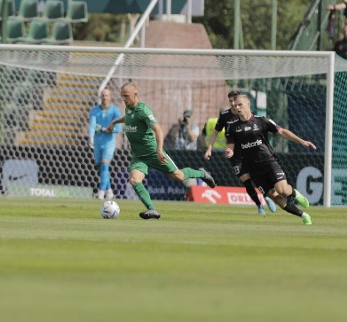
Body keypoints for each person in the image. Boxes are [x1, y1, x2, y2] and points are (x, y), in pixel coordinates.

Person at [105, 82, 215, 220]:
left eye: (126, 96)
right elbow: (127, 118)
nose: (124, 99)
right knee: (134, 180)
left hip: (153, 153)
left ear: (135, 94)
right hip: (138, 156)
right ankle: (152, 209)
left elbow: (158, 130)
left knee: (178, 176)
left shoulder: (144, 110)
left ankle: (201, 174)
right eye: (122, 97)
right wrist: (114, 123)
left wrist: (159, 149)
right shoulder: (128, 109)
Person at [225, 93, 316, 225]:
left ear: (248, 105)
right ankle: (303, 215)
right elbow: (230, 146)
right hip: (254, 170)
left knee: (282, 190)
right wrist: (229, 151)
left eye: (240, 104)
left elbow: (282, 131)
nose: (236, 107)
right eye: (235, 105)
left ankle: (294, 194)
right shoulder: (233, 127)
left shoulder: (262, 121)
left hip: (269, 163)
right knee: (275, 198)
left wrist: (301, 141)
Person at [203, 90, 277, 216]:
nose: (233, 103)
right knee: (245, 180)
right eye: (230, 101)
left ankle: (267, 196)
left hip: (249, 151)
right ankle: (259, 206)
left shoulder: (243, 113)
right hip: (234, 154)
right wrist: (209, 148)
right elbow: (215, 131)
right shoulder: (225, 116)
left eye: (235, 100)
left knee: (256, 177)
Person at [88, 88, 121, 200]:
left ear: (110, 97)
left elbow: (118, 128)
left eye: (106, 95)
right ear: (100, 97)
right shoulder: (95, 110)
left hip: (109, 142)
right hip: (97, 142)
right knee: (100, 167)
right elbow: (92, 124)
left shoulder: (115, 111)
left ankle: (101, 192)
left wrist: (110, 129)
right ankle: (109, 190)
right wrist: (91, 137)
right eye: (103, 96)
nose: (104, 98)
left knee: (105, 164)